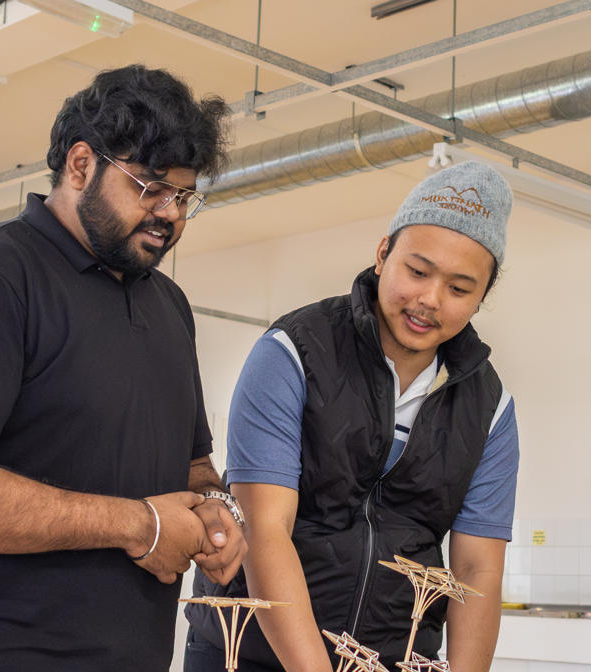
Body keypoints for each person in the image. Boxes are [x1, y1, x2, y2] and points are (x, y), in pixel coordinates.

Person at [0, 65, 238, 672]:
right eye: (150, 187)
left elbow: (191, 461)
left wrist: (214, 506)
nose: (170, 214)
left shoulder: (169, 305)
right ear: (80, 165)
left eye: (184, 196)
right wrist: (138, 524)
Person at [189, 161, 522, 672]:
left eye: (459, 289)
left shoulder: (489, 407)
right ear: (383, 253)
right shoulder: (293, 353)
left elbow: (478, 569)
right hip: (252, 655)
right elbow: (265, 528)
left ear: (482, 298)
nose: (429, 300)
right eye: (417, 271)